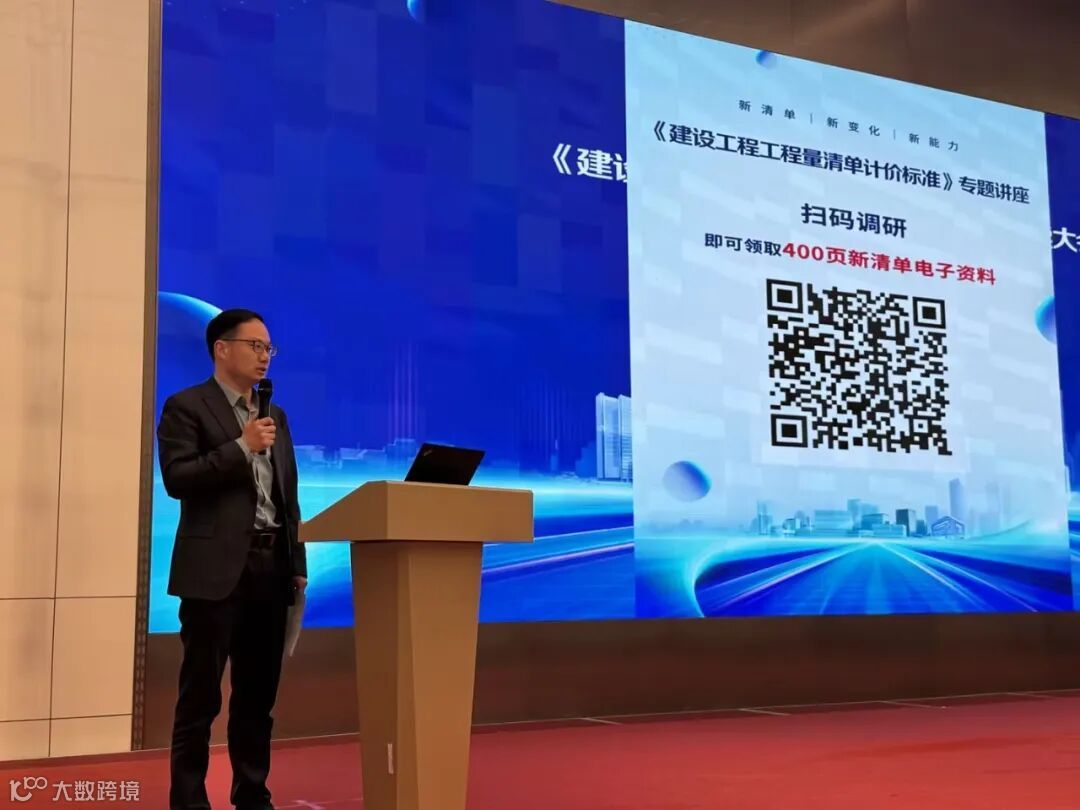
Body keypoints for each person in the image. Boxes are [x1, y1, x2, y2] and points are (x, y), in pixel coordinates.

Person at [158, 308, 307, 810]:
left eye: (269, 348)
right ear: (222, 349)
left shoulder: (274, 415)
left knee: (257, 699)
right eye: (255, 346)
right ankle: (189, 801)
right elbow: (179, 478)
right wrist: (241, 447)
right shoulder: (186, 406)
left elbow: (288, 496)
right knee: (199, 699)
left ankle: (252, 795)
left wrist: (297, 563)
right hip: (214, 573)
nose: (265, 357)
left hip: (271, 570)